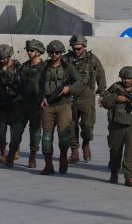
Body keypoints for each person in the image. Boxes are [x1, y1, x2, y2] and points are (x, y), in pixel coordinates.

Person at [39, 40, 83, 175]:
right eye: (51, 52)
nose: (54, 55)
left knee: (64, 137)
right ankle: (48, 165)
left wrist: (68, 88)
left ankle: (63, 158)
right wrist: (41, 98)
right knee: (46, 139)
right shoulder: (43, 67)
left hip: (64, 105)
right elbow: (36, 83)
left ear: (61, 53)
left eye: (57, 52)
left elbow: (79, 82)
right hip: (47, 106)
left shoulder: (68, 67)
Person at [103, 66, 132, 187]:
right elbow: (104, 102)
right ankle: (114, 172)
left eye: (129, 78)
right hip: (116, 125)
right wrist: (117, 98)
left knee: (131, 151)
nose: (127, 80)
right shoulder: (114, 88)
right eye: (124, 78)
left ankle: (129, 176)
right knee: (115, 150)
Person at [64, 34, 106, 163]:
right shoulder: (66, 59)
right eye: (74, 48)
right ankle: (74, 151)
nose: (76, 51)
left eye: (79, 48)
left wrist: (102, 93)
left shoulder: (92, 60)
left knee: (88, 125)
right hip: (70, 96)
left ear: (84, 47)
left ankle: (86, 143)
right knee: (71, 125)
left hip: (87, 97)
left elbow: (101, 75)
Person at [0, 44, 23, 167]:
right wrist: (0, 90)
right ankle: (3, 153)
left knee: (15, 130)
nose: (1, 60)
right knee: (1, 130)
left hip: (15, 105)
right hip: (1, 105)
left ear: (9, 56)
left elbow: (25, 84)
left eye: (3, 58)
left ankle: (15, 150)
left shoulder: (19, 68)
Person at [14, 38, 46, 168]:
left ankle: (32, 156)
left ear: (38, 52)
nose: (29, 52)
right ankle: (13, 151)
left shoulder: (44, 68)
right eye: (27, 50)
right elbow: (17, 83)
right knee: (16, 130)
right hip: (22, 104)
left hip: (36, 106)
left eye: (31, 50)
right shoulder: (24, 67)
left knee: (35, 132)